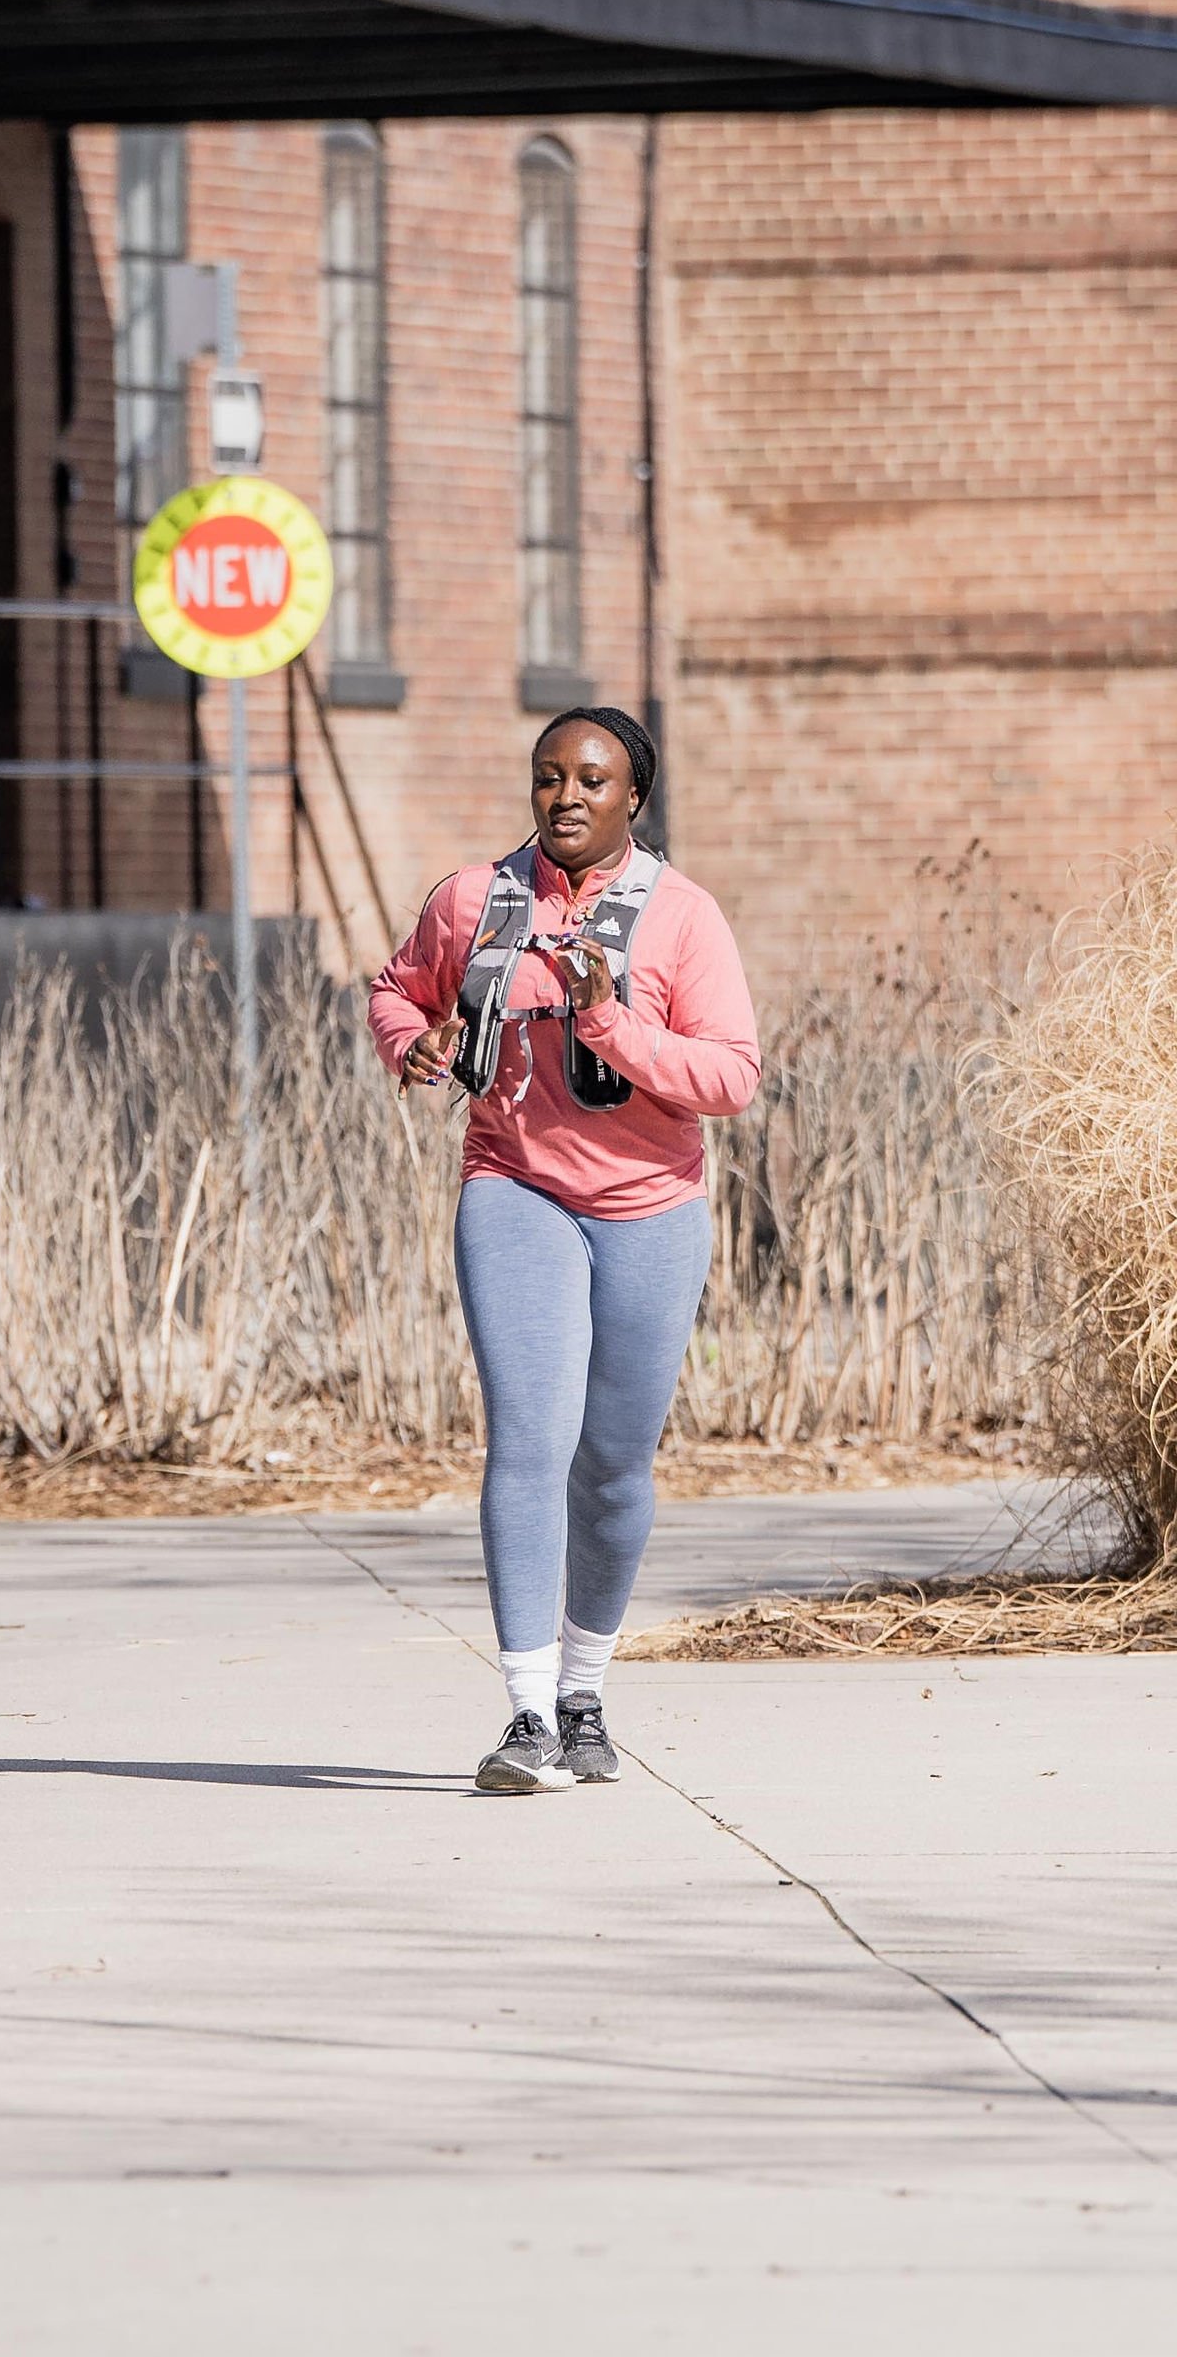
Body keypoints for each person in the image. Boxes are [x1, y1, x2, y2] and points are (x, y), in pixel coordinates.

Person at [368, 709, 759, 1793]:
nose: (567, 796)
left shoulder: (682, 918)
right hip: (515, 1189)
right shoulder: (474, 900)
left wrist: (609, 1022)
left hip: (649, 1209)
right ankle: (528, 1716)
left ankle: (585, 1694)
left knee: (615, 1466)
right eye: (550, 777)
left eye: (593, 779)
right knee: (531, 1439)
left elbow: (731, 1077)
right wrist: (419, 1044)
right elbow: (397, 989)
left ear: (634, 797)